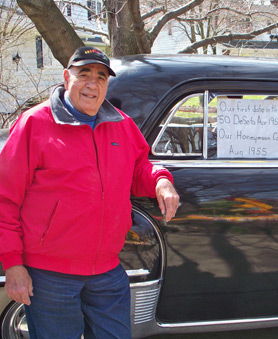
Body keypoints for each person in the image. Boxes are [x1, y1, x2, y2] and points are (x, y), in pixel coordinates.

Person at [0, 46, 179, 338]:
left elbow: (139, 168)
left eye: (101, 77)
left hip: (107, 270)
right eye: (84, 74)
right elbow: (4, 198)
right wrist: (13, 265)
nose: (93, 84)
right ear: (66, 78)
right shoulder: (34, 124)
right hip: (50, 274)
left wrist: (161, 180)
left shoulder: (121, 124)